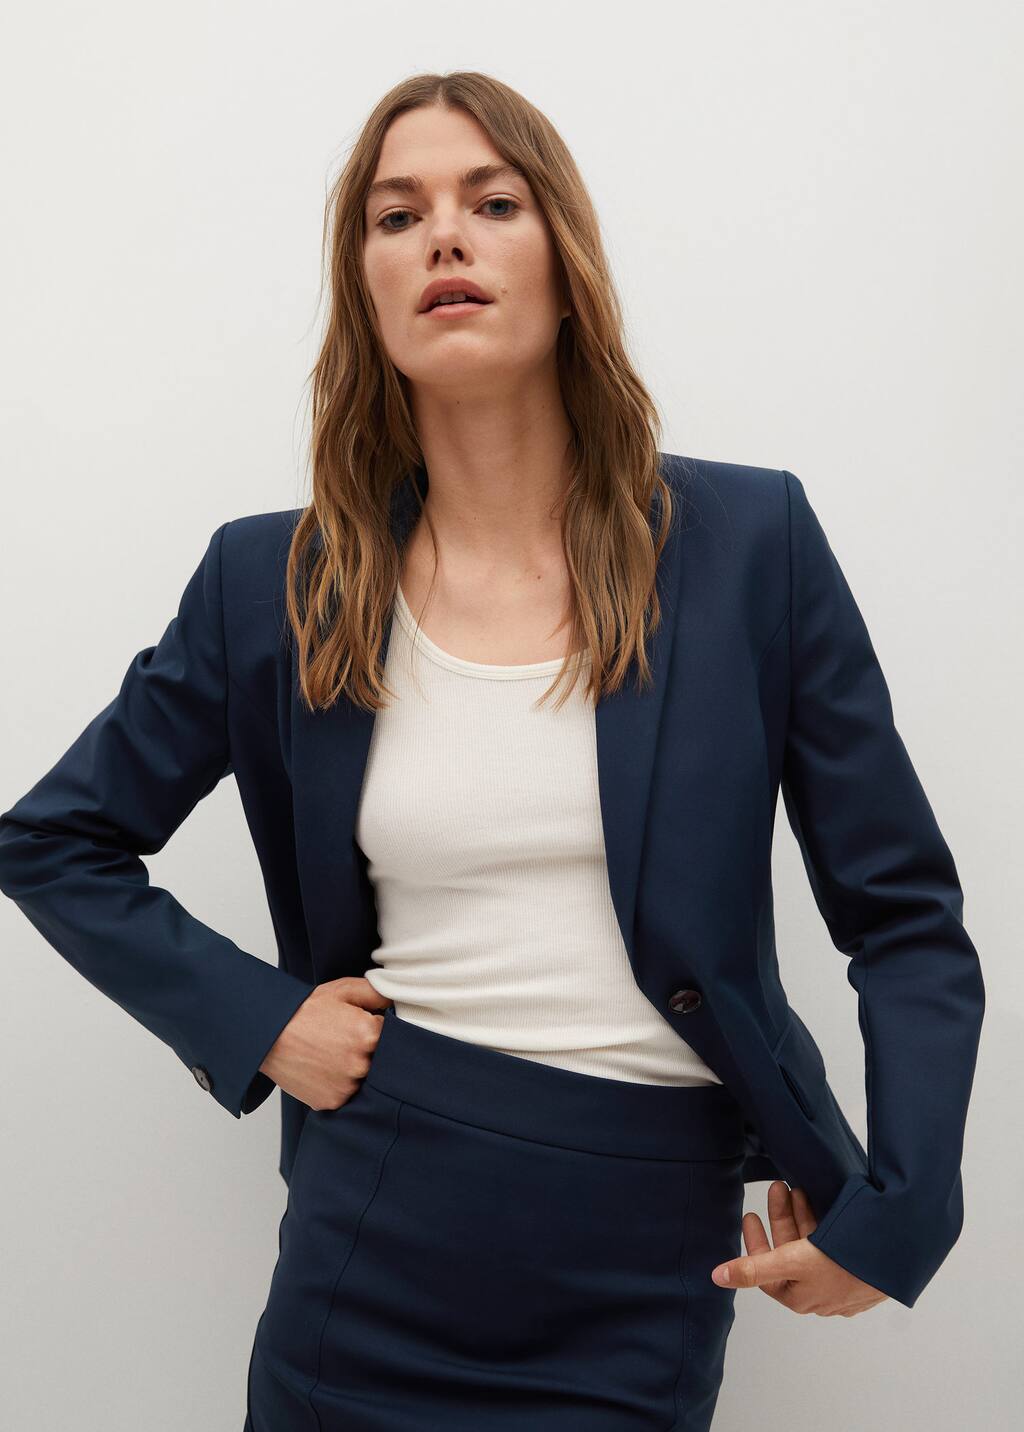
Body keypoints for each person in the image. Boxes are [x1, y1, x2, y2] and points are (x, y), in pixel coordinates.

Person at [0, 72, 984, 1431]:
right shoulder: (272, 584)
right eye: (398, 215)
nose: (445, 237)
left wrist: (904, 1209)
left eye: (493, 202)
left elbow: (904, 915)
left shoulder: (750, 548)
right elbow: (52, 840)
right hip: (376, 1229)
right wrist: (260, 1022)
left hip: (648, 1245)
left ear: (566, 265)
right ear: (366, 289)